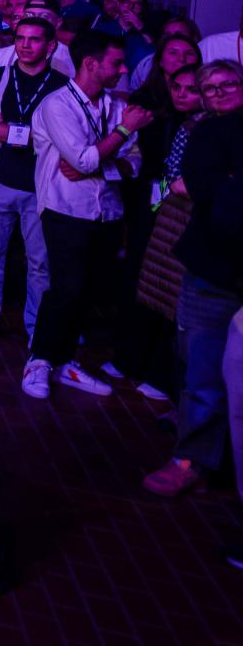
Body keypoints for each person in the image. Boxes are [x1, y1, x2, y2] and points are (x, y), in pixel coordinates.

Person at [22, 30, 147, 400]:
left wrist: (103, 163)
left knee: (90, 291)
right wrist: (124, 131)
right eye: (117, 63)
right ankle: (38, 361)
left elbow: (134, 163)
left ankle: (65, 362)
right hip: (65, 209)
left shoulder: (114, 105)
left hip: (108, 212)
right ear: (91, 64)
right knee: (65, 288)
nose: (123, 70)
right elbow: (83, 160)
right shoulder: (57, 105)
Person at [145, 61, 243, 496]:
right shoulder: (205, 132)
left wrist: (224, 184)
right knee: (201, 367)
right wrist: (227, 185)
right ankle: (192, 460)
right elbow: (190, 186)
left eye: (228, 84)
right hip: (214, 267)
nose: (219, 93)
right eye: (210, 88)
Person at [0, 15, 63, 344]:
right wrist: (35, 135)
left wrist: (6, 129)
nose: (25, 45)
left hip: (43, 185)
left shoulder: (62, 85)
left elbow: (66, 138)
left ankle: (38, 330)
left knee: (41, 263)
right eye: (20, 38)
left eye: (34, 39)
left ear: (51, 46)